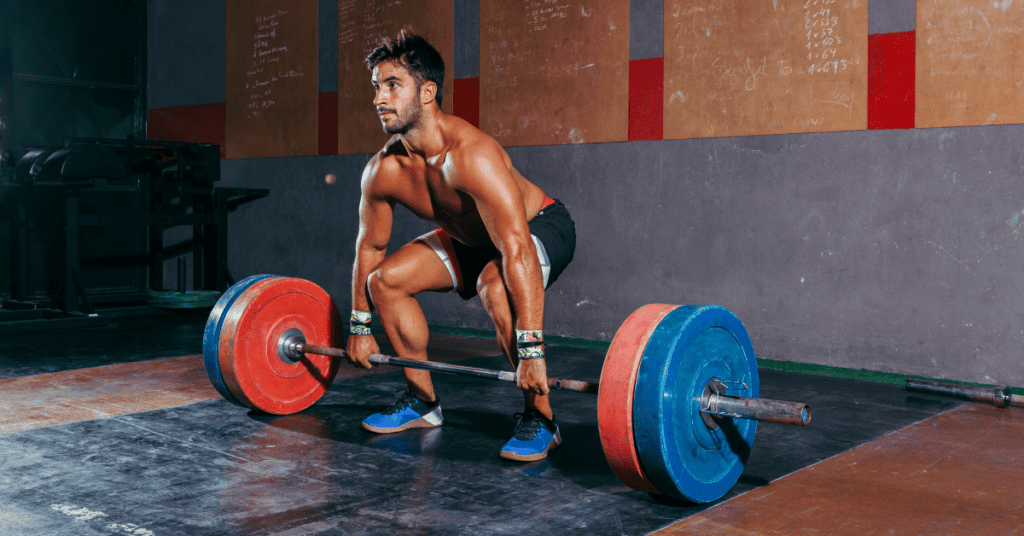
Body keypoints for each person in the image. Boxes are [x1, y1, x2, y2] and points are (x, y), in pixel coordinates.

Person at [345, 30, 576, 462]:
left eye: (392, 85)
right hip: (472, 237)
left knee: (495, 283)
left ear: (427, 92)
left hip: (537, 227)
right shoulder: (383, 170)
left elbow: (516, 251)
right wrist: (359, 326)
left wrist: (532, 351)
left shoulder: (472, 156)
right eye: (376, 86)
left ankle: (542, 418)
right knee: (386, 281)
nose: (379, 97)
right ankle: (422, 402)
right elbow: (370, 249)